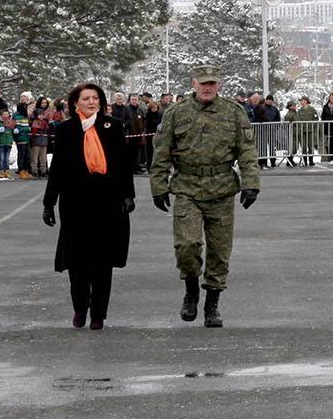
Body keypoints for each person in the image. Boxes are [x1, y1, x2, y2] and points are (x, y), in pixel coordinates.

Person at [150, 66, 260, 328]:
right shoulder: (176, 113)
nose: (207, 88)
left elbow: (246, 151)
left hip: (221, 189)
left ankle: (212, 303)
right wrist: (158, 185)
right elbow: (162, 152)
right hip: (187, 188)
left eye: (212, 83)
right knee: (187, 246)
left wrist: (251, 183)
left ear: (218, 85)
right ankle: (191, 289)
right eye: (203, 83)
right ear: (194, 83)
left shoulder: (234, 112)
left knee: (220, 252)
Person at [41, 82, 135, 328]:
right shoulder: (65, 129)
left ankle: (99, 313)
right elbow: (58, 168)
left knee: (103, 262)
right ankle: (80, 307)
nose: (91, 102)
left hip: (108, 201)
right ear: (75, 103)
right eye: (86, 98)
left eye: (95, 98)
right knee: (78, 261)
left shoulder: (112, 126)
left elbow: (124, 164)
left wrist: (128, 195)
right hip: (76, 202)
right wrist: (49, 203)